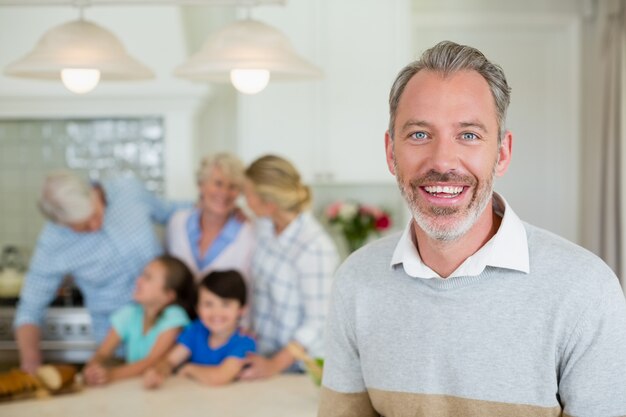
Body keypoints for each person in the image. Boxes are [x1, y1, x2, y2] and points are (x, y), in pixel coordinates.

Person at [319, 41, 626, 417]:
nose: (443, 160)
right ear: (390, 153)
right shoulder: (356, 281)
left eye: (468, 135)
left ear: (502, 153)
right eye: (419, 134)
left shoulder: (585, 290)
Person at [14, 171, 187, 374]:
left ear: (93, 192)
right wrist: (31, 362)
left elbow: (171, 211)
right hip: (115, 349)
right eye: (83, 227)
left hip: (168, 340)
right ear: (60, 223)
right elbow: (30, 309)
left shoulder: (127, 191)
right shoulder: (54, 241)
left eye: (96, 214)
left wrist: (227, 211)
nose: (95, 226)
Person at [239, 155, 340, 380]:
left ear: (269, 204)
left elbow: (318, 322)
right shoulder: (265, 226)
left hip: (298, 370)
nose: (243, 200)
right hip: (263, 355)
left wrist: (274, 365)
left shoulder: (314, 248)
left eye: (247, 194)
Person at [83, 255, 194, 386]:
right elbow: (102, 353)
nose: (138, 281)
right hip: (136, 387)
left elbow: (152, 361)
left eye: (148, 278)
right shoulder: (129, 314)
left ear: (168, 296)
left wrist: (111, 375)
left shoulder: (174, 317)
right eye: (142, 275)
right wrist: (92, 369)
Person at [167, 153, 256, 309]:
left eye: (233, 187)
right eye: (218, 183)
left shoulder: (249, 234)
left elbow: (250, 291)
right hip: (181, 323)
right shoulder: (177, 223)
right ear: (201, 185)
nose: (224, 193)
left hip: (225, 328)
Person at [143, 270, 255, 388]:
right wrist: (158, 373)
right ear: (198, 309)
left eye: (225, 304)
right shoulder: (197, 330)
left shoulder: (244, 342)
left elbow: (220, 377)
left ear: (242, 309)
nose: (216, 312)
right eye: (208, 304)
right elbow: (170, 361)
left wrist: (189, 369)